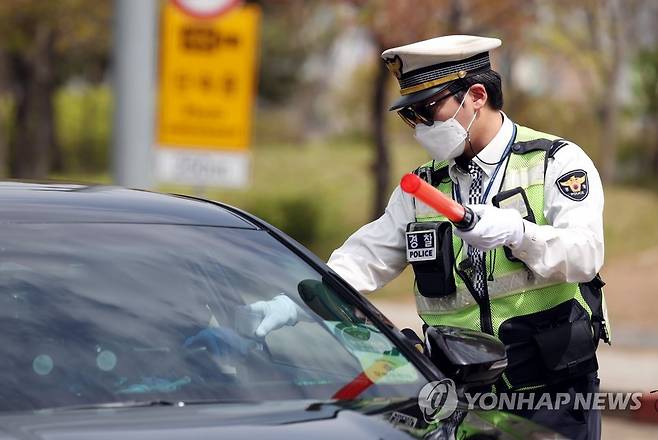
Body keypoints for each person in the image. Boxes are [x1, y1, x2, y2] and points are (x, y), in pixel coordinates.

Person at [251, 35, 609, 439]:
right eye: (411, 116)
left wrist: (516, 232)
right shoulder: (421, 187)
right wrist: (295, 301)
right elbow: (367, 257)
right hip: (461, 399)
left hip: (551, 396)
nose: (421, 126)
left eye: (430, 110)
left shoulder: (554, 161)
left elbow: (586, 254)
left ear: (476, 95)